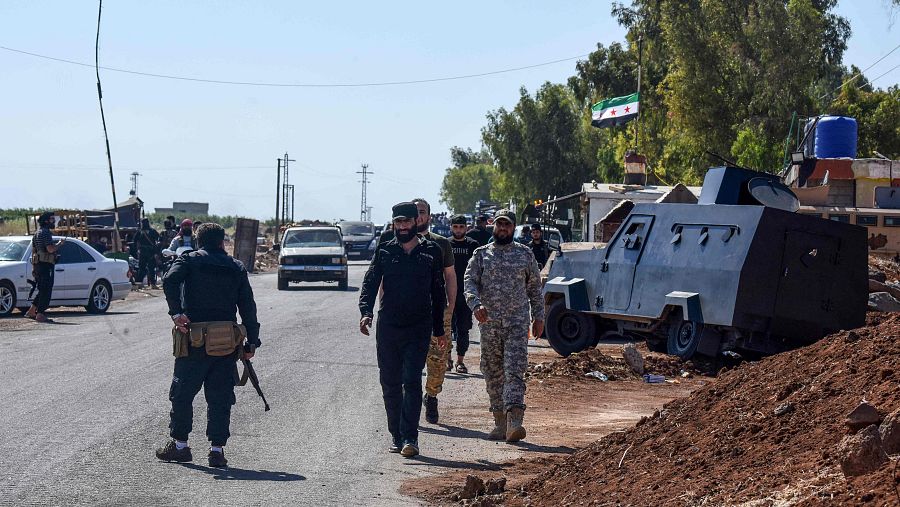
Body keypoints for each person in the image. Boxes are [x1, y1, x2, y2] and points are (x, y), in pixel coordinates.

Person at [156, 223, 261, 468]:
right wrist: (252, 341)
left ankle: (180, 446)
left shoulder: (188, 261)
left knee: (182, 394)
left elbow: (169, 281)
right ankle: (217, 451)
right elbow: (248, 306)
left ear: (198, 240)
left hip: (193, 340)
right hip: (226, 342)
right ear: (222, 242)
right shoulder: (235, 267)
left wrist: (176, 313)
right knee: (220, 397)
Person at [359, 202, 445, 458]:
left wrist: (440, 329)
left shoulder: (431, 252)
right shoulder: (385, 251)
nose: (403, 226)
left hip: (419, 326)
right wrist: (365, 312)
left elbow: (437, 292)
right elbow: (370, 282)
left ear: (416, 222)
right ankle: (396, 435)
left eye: (407, 222)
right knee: (390, 382)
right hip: (388, 327)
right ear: (394, 223)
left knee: (411, 379)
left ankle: (410, 436)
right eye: (398, 222)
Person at [464, 209, 544, 443]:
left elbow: (535, 289)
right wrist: (475, 304)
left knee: (514, 369)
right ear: (493, 226)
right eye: (499, 224)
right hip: (489, 324)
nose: (502, 229)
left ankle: (515, 420)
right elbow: (469, 283)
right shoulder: (481, 255)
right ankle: (499, 420)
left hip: (517, 324)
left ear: (513, 228)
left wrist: (539, 317)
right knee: (492, 371)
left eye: (507, 225)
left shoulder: (525, 254)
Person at [411, 198, 456, 425]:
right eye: (414, 212)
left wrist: (451, 307)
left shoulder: (441, 244)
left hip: (437, 313)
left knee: (438, 362)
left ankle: (431, 396)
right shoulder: (396, 242)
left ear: (429, 216)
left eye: (421, 212)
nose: (418, 216)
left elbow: (450, 276)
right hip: (408, 314)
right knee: (408, 363)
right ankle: (408, 406)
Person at [448, 214, 479, 373]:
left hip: (466, 294)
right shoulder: (445, 244)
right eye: (455, 227)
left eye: (461, 227)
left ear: (466, 227)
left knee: (463, 329)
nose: (458, 230)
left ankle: (460, 361)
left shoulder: (473, 246)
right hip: (447, 294)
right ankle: (447, 359)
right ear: (451, 227)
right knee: (446, 328)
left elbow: (479, 270)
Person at [25, 212, 66, 322]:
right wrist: (59, 244)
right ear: (46, 221)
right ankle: (40, 314)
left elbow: (35, 251)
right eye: (52, 219)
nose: (54, 221)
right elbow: (50, 249)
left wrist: (34, 268)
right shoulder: (46, 233)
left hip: (38, 265)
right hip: (45, 265)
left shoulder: (37, 233)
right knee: (46, 290)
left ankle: (32, 311)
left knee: (42, 289)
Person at [132, 218, 160, 288]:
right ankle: (139, 283)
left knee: (151, 268)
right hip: (144, 252)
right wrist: (137, 250)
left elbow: (159, 240)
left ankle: (152, 284)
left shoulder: (152, 231)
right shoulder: (140, 232)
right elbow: (134, 241)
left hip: (150, 252)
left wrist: (156, 251)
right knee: (142, 268)